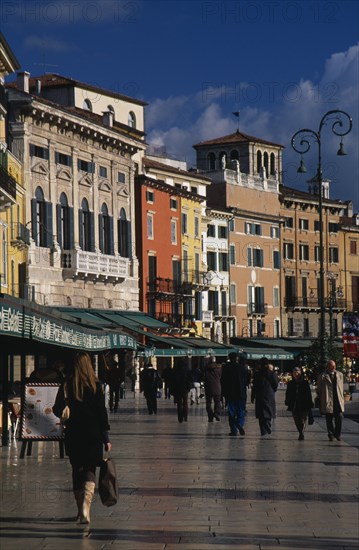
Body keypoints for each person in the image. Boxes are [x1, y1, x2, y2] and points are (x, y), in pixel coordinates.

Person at [53, 352, 111, 524]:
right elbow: (102, 413)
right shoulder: (96, 385)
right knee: (90, 469)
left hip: (74, 432)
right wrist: (106, 437)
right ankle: (86, 508)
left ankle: (80, 510)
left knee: (77, 468)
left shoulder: (67, 384)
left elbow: (57, 409)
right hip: (93, 434)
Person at [317, 359, 344, 441]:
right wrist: (321, 398)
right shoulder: (322, 376)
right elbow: (319, 389)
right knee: (329, 418)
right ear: (328, 366)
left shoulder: (339, 374)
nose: (333, 367)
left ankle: (337, 434)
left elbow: (341, 387)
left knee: (340, 417)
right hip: (327, 399)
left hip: (337, 400)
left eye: (334, 366)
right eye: (332, 366)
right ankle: (331, 434)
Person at [221, 352, 248, 436]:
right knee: (240, 410)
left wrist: (223, 393)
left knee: (231, 412)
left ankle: (234, 430)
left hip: (230, 393)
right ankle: (240, 423)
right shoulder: (242, 367)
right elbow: (246, 381)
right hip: (241, 393)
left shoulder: (226, 367)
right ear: (237, 358)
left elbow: (223, 381)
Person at [251, 357, 279, 436]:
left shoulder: (257, 374)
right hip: (269, 395)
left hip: (260, 395)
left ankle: (263, 430)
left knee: (261, 415)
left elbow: (254, 386)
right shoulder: (272, 373)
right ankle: (267, 427)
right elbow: (275, 384)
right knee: (268, 413)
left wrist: (253, 396)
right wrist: (272, 390)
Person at [285, 366, 313, 440]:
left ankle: (301, 433)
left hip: (304, 403)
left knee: (303, 419)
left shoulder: (305, 382)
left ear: (300, 373)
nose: (296, 374)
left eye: (297, 372)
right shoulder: (290, 383)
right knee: (296, 419)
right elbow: (287, 393)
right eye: (294, 372)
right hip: (294, 404)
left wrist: (310, 403)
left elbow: (308, 394)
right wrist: (287, 401)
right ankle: (300, 432)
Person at [170, 358, 194, 423]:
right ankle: (185, 416)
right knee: (185, 403)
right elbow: (191, 378)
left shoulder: (175, 371)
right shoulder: (186, 370)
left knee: (179, 403)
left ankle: (180, 418)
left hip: (177, 388)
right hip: (185, 388)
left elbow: (172, 381)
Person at [204, 356, 222, 422]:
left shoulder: (206, 368)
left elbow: (204, 377)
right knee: (217, 402)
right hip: (217, 387)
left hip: (208, 388)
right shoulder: (219, 369)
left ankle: (210, 416)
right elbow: (221, 376)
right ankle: (216, 413)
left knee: (208, 403)